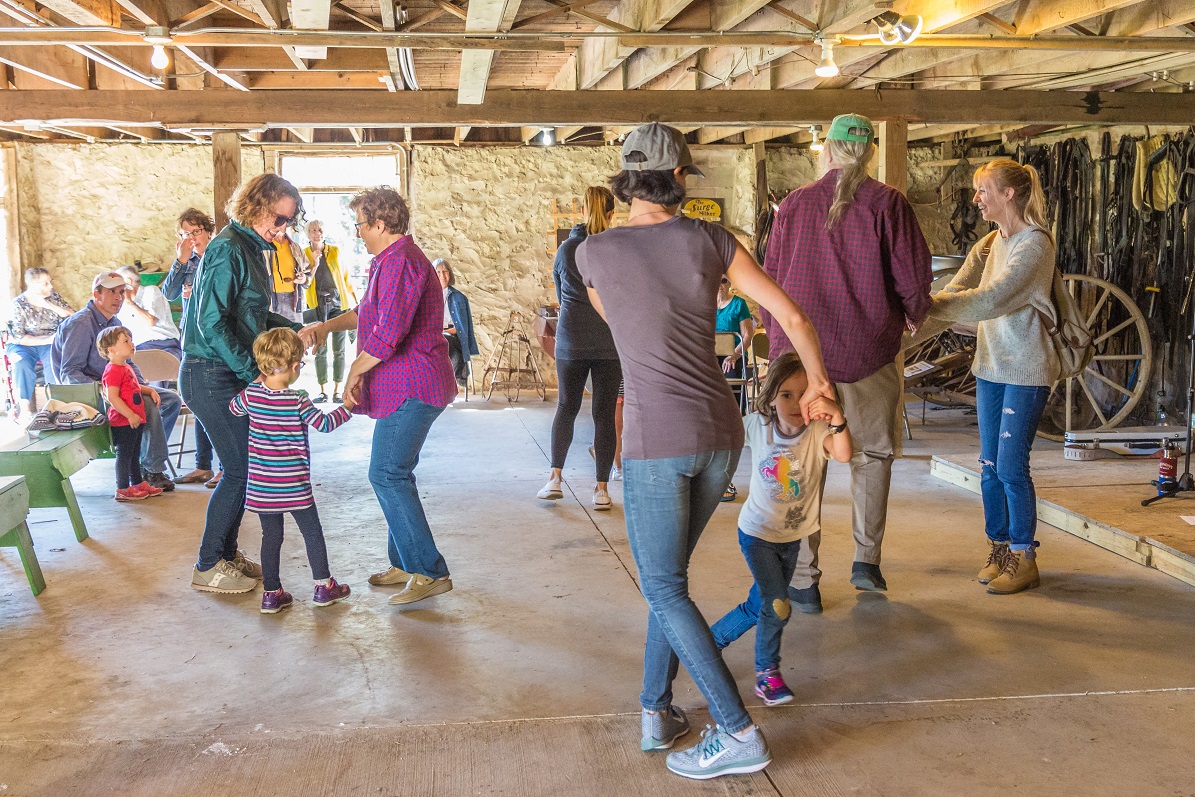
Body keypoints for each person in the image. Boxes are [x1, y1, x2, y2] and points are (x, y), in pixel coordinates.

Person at [576, 122, 834, 781]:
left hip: (656, 439)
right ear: (679, 178)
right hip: (719, 435)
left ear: (625, 181)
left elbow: (620, 323)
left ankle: (738, 730)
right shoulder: (712, 240)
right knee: (668, 585)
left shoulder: (592, 253)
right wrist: (818, 387)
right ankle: (655, 710)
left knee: (664, 586)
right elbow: (792, 317)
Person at [762, 113, 932, 598]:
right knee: (872, 456)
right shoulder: (887, 203)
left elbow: (771, 279)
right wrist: (914, 315)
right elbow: (913, 278)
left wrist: (777, 345)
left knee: (802, 461)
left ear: (828, 150)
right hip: (867, 353)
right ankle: (866, 562)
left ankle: (803, 580)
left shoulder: (794, 204)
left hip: (799, 361)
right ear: (870, 153)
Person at [304, 187, 457, 607]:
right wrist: (323, 327)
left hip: (415, 385)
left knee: (387, 473)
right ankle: (406, 562)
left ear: (380, 223)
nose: (357, 232)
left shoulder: (402, 262)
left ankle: (430, 571)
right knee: (395, 472)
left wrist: (354, 372)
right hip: (405, 385)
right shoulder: (387, 261)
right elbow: (366, 313)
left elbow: (388, 333)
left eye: (360, 224)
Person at [182, 173, 320, 595]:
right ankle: (208, 564)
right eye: (279, 219)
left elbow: (252, 316)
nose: (283, 229)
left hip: (224, 370)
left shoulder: (252, 248)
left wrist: (295, 328)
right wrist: (253, 373)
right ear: (257, 207)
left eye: (289, 221)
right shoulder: (227, 248)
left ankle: (225, 554)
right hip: (209, 373)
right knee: (241, 471)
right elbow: (211, 321)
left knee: (241, 469)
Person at [926, 158, 1058, 595]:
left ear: (1008, 194)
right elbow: (956, 288)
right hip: (990, 366)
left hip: (1025, 368)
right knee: (988, 466)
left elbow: (992, 298)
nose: (977, 198)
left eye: (983, 190)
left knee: (1010, 467)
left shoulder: (1034, 244)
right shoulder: (989, 242)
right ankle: (999, 549)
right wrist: (916, 310)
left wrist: (929, 306)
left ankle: (1024, 556)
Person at [709, 353, 853, 705]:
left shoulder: (818, 431)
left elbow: (844, 454)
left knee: (759, 603)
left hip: (792, 537)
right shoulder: (757, 425)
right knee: (778, 604)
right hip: (756, 534)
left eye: (804, 394)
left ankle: (708, 643)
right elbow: (720, 433)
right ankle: (767, 675)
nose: (795, 403)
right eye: (786, 394)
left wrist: (837, 417)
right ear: (771, 396)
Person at [230, 328, 354, 614]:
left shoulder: (251, 396)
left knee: (271, 538)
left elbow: (234, 408)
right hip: (294, 486)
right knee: (312, 533)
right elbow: (324, 424)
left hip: (263, 487)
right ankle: (324, 586)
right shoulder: (298, 399)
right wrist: (347, 406)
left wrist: (257, 382)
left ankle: (271, 594)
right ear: (296, 365)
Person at [48, 271, 182, 492]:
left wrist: (141, 385)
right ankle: (153, 470)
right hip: (89, 394)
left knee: (170, 400)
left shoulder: (114, 322)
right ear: (96, 294)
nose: (118, 297)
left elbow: (128, 362)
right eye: (111, 292)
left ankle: (144, 459)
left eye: (121, 292)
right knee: (146, 404)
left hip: (118, 386)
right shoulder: (81, 324)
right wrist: (106, 389)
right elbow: (69, 373)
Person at [538, 186, 622, 511]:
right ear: (612, 213)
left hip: (572, 338)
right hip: (608, 341)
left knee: (566, 408)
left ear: (583, 212)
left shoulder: (566, 249)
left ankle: (555, 479)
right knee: (604, 414)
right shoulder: (615, 249)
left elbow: (561, 295)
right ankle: (601, 490)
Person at [164, 208, 221, 487]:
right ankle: (202, 466)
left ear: (208, 231)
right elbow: (168, 294)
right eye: (185, 233)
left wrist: (196, 291)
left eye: (196, 232)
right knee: (198, 401)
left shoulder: (218, 256)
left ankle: (225, 467)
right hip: (191, 339)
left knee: (218, 403)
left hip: (215, 339)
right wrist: (180, 261)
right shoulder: (186, 262)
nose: (191, 238)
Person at [97, 326, 165, 502]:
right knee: (124, 455)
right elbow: (113, 397)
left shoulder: (125, 366)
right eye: (125, 341)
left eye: (131, 340)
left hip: (135, 419)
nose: (132, 344)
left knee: (135, 454)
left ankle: (137, 483)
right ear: (112, 350)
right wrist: (129, 415)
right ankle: (122, 488)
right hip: (123, 421)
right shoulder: (112, 370)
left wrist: (149, 390)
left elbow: (133, 386)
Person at [6, 267, 73, 423]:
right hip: (24, 345)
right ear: (32, 285)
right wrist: (47, 340)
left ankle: (55, 406)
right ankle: (25, 409)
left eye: (50, 282)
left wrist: (48, 305)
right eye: (45, 283)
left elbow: (72, 315)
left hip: (49, 343)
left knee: (53, 361)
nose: (50, 286)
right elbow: (19, 337)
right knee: (21, 364)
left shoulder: (53, 297)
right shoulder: (18, 304)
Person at [304, 220, 358, 403]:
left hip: (337, 304)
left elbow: (345, 277)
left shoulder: (335, 251)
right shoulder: (304, 254)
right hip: (317, 306)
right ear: (308, 234)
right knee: (320, 348)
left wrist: (354, 299)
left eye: (319, 229)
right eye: (313, 230)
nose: (317, 233)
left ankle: (337, 390)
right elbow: (304, 280)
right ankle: (322, 391)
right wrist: (314, 262)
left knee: (339, 349)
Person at [716, 275, 758, 502]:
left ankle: (726, 476)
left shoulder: (738, 304)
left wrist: (734, 354)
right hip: (709, 358)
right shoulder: (704, 303)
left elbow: (747, 335)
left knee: (729, 411)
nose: (719, 284)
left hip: (732, 357)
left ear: (729, 283)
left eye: (723, 280)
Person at [115, 266, 182, 360]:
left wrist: (131, 303)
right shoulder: (122, 306)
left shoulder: (151, 291)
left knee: (160, 365)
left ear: (128, 282)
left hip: (164, 345)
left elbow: (151, 321)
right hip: (138, 349)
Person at [433, 258, 478, 389]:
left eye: (445, 271)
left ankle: (447, 383)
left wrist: (444, 332)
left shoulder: (459, 298)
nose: (442, 275)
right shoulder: (426, 296)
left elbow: (462, 327)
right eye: (438, 272)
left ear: (450, 274)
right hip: (433, 336)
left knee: (447, 343)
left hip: (452, 336)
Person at [270, 227, 311, 324]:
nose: (282, 226)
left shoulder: (295, 246)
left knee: (296, 333)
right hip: (270, 300)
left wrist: (303, 278)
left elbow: (308, 274)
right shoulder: (263, 245)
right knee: (271, 333)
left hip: (293, 300)